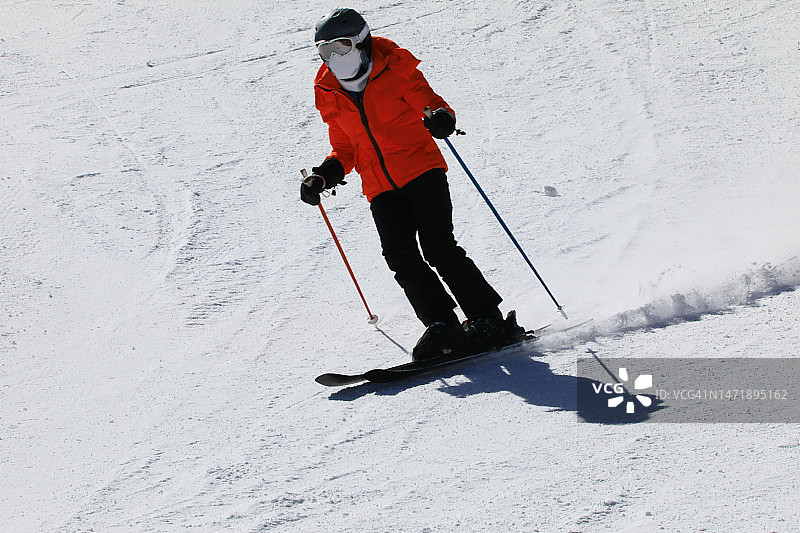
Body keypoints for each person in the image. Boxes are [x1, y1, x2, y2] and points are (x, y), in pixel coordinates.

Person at [302, 8, 521, 361]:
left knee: (438, 247)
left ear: (361, 40)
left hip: (421, 170)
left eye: (341, 46)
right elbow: (345, 148)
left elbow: (429, 102)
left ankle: (486, 318)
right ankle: (442, 325)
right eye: (325, 51)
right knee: (400, 257)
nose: (334, 57)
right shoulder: (328, 89)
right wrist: (324, 175)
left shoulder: (394, 68)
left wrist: (440, 117)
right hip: (379, 186)